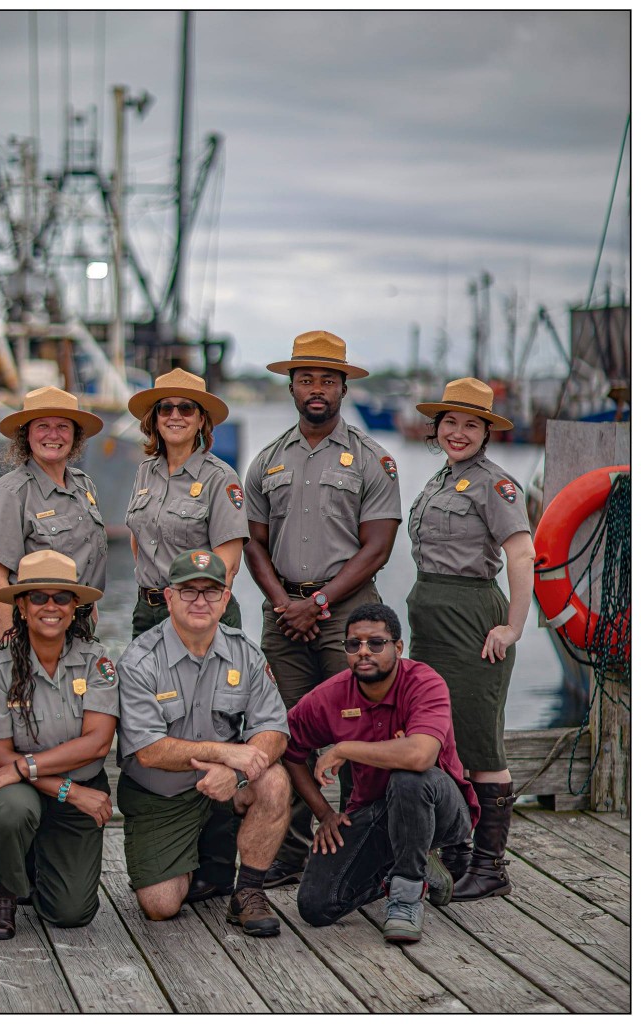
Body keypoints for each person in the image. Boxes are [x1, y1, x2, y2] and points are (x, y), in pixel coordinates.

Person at [243, 330, 402, 887]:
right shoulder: (266, 461)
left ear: (342, 387)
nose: (317, 389)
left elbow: (378, 547)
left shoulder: (371, 460)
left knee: (362, 730)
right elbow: (253, 543)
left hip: (351, 616)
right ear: (291, 386)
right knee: (284, 732)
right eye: (306, 378)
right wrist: (286, 603)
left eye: (327, 380)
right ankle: (288, 849)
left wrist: (319, 602)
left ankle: (365, 844)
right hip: (285, 612)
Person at [116, 550, 292, 937]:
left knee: (274, 781)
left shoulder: (244, 653)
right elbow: (149, 750)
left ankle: (248, 891)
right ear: (169, 597)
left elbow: (274, 729)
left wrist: (235, 772)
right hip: (161, 796)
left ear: (226, 599)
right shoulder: (139, 661)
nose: (200, 601)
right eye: (188, 591)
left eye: (212, 592)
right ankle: (196, 858)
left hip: (224, 791)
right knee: (161, 906)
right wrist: (225, 754)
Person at [405, 378, 535, 900]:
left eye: (471, 424)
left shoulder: (495, 484)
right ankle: (457, 852)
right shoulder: (442, 479)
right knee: (441, 737)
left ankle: (490, 867)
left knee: (479, 741)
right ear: (437, 429)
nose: (459, 433)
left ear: (487, 432)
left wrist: (514, 627)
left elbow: (522, 556)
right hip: (431, 622)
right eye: (450, 423)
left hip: (472, 619)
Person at [125, 367, 250, 904]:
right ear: (154, 419)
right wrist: (155, 598)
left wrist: (195, 609)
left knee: (216, 727)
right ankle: (166, 833)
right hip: (150, 612)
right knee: (158, 723)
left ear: (202, 420)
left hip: (203, 615)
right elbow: (138, 543)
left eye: (186, 408)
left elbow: (229, 557)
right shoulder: (146, 473)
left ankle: (218, 863)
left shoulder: (221, 477)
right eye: (166, 408)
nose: (175, 416)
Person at [286, 603, 480, 944]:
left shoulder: (424, 682)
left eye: (376, 643)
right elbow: (288, 748)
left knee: (408, 777)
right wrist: (324, 812)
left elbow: (420, 756)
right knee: (316, 906)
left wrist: (344, 748)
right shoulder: (330, 695)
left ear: (398, 647)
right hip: (375, 812)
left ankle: (406, 897)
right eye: (353, 644)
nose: (364, 652)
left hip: (441, 811)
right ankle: (415, 866)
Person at [0, 550, 118, 940]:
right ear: (20, 605)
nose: (50, 607)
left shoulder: (97, 661)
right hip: (32, 790)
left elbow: (98, 744)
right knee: (11, 809)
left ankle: (31, 858)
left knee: (71, 913)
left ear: (75, 608)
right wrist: (68, 791)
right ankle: (4, 891)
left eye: (61, 597)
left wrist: (22, 767)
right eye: (38, 597)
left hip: (74, 787)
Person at [0, 385, 107, 641]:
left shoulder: (85, 486)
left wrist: (92, 617)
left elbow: (87, 562)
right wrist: (11, 647)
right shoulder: (11, 493)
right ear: (26, 434)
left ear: (75, 435)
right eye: (42, 426)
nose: (53, 435)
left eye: (63, 426)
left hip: (80, 629)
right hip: (30, 632)